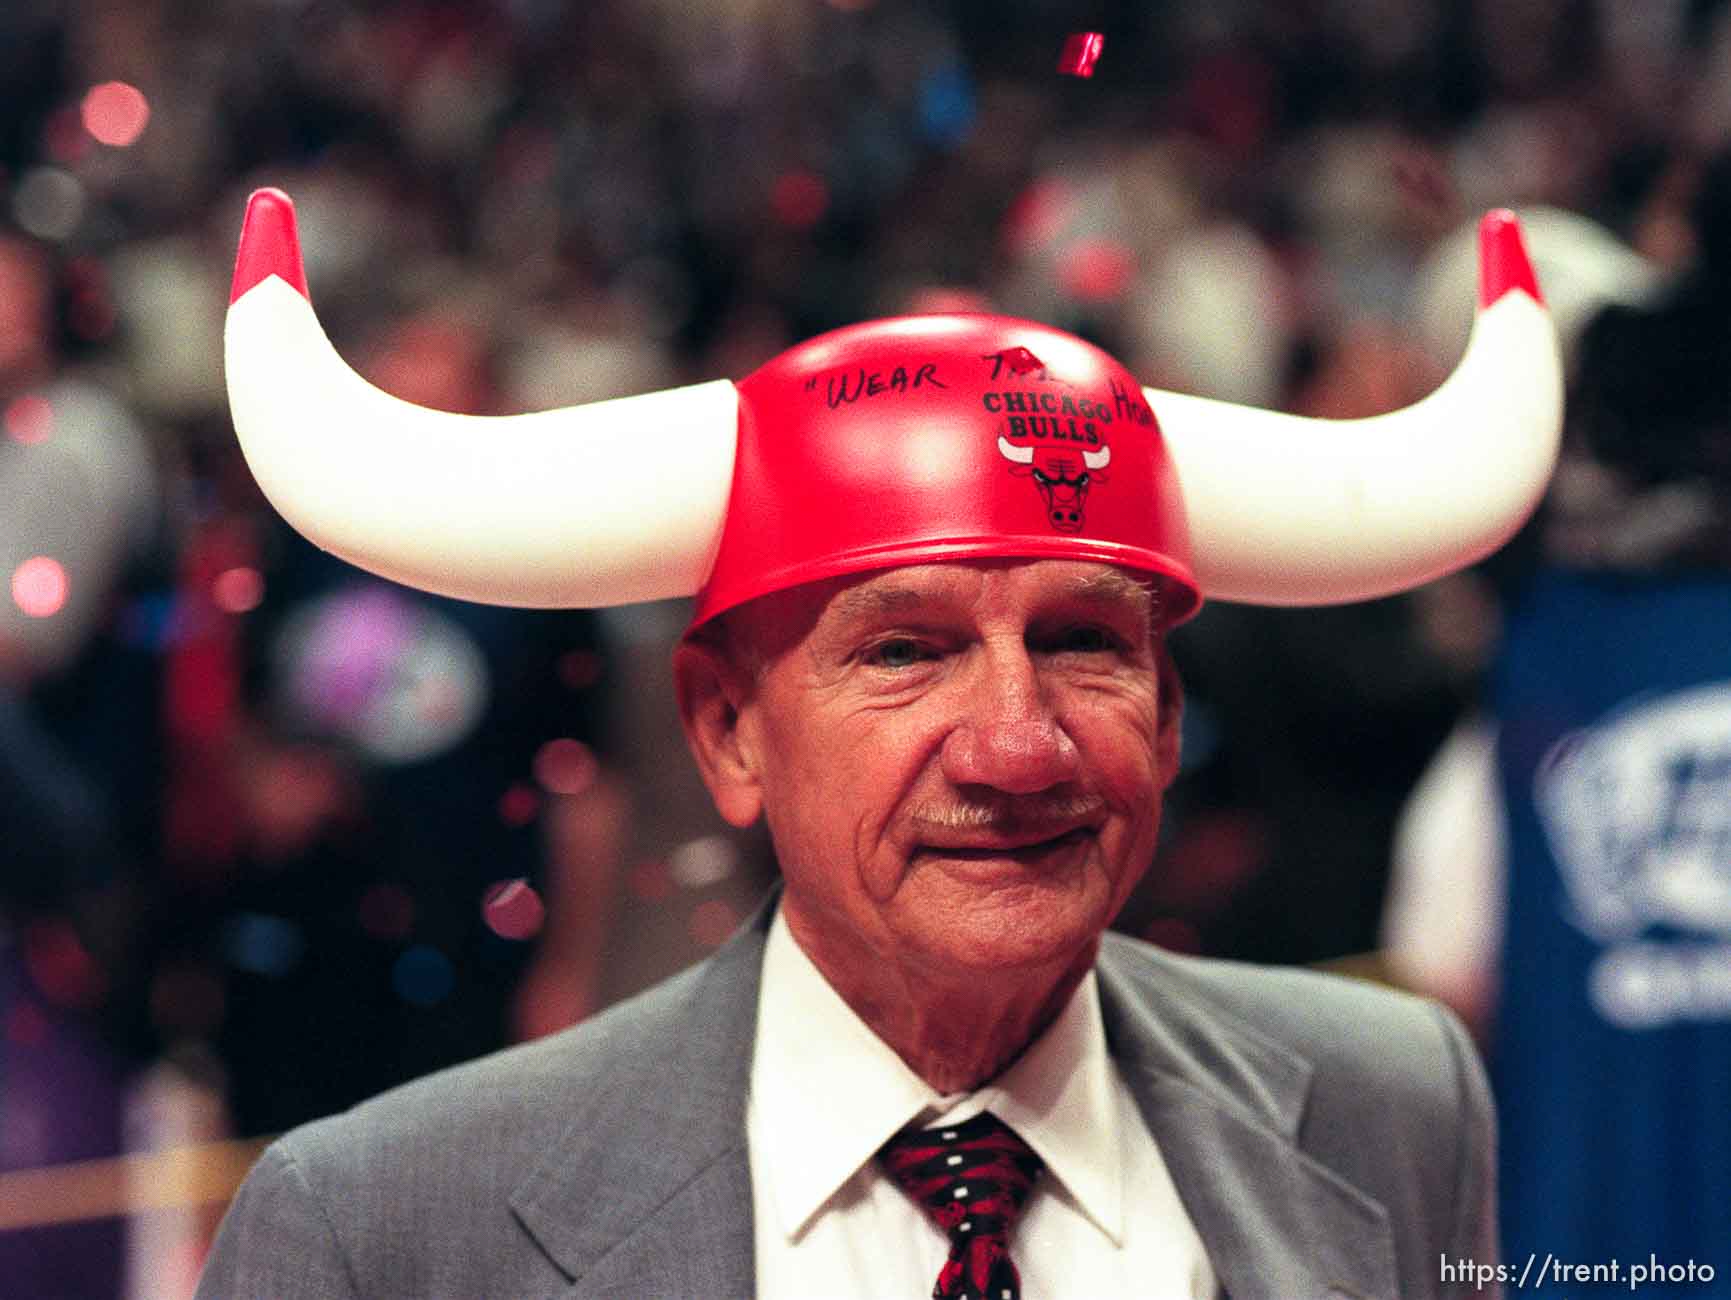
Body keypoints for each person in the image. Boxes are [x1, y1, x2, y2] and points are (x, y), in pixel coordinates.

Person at [194, 190, 1559, 1299]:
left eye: (1086, 642)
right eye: (904, 652)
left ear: (1170, 712)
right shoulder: (383, 1235)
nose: (1019, 748)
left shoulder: (1399, 1108)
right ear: (729, 734)